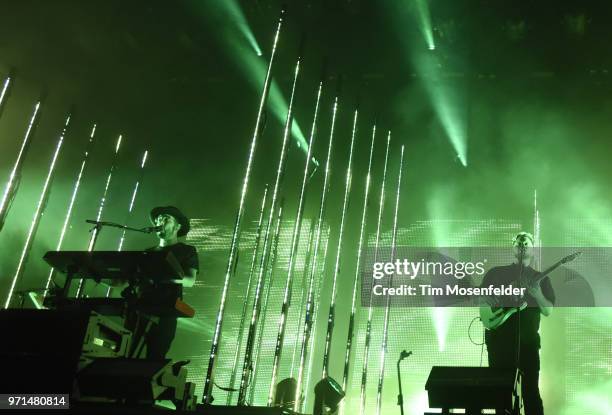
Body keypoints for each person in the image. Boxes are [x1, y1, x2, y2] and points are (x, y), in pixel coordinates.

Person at [481, 232, 554, 415]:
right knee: (501, 396)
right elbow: (481, 298)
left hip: (528, 345)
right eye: (519, 243)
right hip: (499, 342)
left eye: (526, 243)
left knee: (531, 393)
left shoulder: (542, 278)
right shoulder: (496, 273)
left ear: (532, 248)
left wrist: (537, 294)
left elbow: (548, 310)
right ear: (513, 248)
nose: (522, 246)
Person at [129, 205, 199, 360]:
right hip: (140, 309)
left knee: (155, 357)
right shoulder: (147, 251)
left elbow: (189, 281)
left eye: (166, 218)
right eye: (158, 219)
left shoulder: (187, 251)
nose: (160, 220)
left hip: (166, 311)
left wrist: (162, 278)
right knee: (128, 353)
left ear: (178, 226)